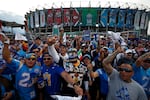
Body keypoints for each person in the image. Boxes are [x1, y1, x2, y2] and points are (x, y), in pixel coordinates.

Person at [2, 36, 41, 100]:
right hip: (19, 95)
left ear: (36, 60)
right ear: (25, 60)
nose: (30, 60)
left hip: (32, 95)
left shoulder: (39, 67)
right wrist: (6, 43)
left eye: (33, 59)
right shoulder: (19, 64)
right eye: (28, 59)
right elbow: (7, 58)